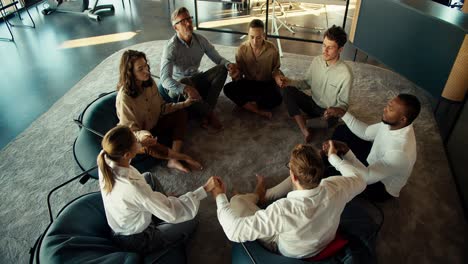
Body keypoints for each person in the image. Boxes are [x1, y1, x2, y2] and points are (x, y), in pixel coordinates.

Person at [210, 143, 365, 259]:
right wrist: (333, 157)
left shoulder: (282, 210)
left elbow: (234, 231)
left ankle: (257, 195)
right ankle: (261, 194)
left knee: (236, 201)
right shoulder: (336, 185)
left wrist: (219, 196)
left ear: (294, 176)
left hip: (289, 251)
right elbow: (360, 179)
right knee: (300, 180)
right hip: (324, 240)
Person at [97, 125, 218, 255]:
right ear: (126, 154)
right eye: (135, 141)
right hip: (138, 238)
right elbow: (174, 214)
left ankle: (161, 206)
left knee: (149, 177)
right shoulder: (134, 187)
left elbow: (129, 152)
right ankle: (162, 210)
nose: (138, 142)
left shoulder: (106, 156)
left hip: (124, 219)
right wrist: (204, 189)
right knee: (190, 217)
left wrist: (142, 143)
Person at [116, 49, 202, 173]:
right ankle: (183, 157)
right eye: (140, 69)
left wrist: (184, 104)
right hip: (140, 136)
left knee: (182, 113)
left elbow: (162, 108)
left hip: (156, 125)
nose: (146, 71)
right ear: (130, 73)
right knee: (147, 142)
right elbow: (130, 131)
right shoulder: (124, 97)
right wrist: (144, 135)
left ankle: (173, 159)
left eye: (146, 65)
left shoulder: (150, 83)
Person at [323, 93, 421, 202]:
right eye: (388, 105)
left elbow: (365, 178)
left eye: (390, 109)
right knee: (343, 130)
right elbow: (366, 132)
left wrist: (344, 152)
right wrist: (342, 113)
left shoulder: (400, 152)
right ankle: (330, 156)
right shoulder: (395, 123)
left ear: (403, 119)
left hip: (380, 186)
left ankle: (329, 160)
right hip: (375, 161)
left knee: (332, 178)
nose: (385, 109)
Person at [159, 7, 235, 131]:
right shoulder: (171, 47)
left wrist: (228, 65)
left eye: (189, 19)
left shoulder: (200, 40)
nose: (188, 23)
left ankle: (204, 111)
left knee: (221, 69)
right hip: (180, 87)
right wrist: (185, 88)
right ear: (175, 27)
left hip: (196, 79)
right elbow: (164, 79)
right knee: (185, 81)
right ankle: (209, 114)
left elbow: (219, 60)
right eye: (183, 21)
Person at [281, 25, 353, 142]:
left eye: (330, 47)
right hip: (312, 102)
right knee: (287, 90)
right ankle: (305, 127)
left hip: (326, 112)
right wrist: (289, 81)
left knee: (331, 122)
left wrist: (334, 110)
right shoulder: (317, 61)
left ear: (340, 49)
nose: (325, 51)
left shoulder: (346, 74)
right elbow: (306, 83)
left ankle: (303, 120)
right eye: (324, 45)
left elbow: (343, 104)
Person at [223, 19, 284, 119]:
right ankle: (257, 110)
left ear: (263, 35)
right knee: (227, 89)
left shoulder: (272, 49)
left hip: (266, 84)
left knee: (278, 99)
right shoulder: (241, 49)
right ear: (248, 34)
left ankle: (248, 104)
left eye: (258, 38)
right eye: (251, 37)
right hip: (249, 83)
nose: (255, 41)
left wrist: (277, 77)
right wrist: (235, 75)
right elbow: (239, 74)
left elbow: (276, 69)